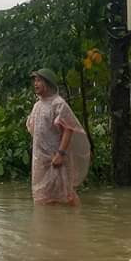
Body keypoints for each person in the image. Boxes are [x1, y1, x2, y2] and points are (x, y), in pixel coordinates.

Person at [25, 68, 90, 206]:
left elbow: (69, 128)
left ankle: (77, 222)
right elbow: (35, 130)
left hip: (56, 156)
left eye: (39, 80)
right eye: (35, 80)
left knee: (66, 193)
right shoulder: (37, 105)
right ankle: (50, 225)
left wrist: (60, 153)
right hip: (40, 159)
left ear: (47, 83)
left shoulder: (58, 103)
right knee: (43, 196)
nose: (35, 84)